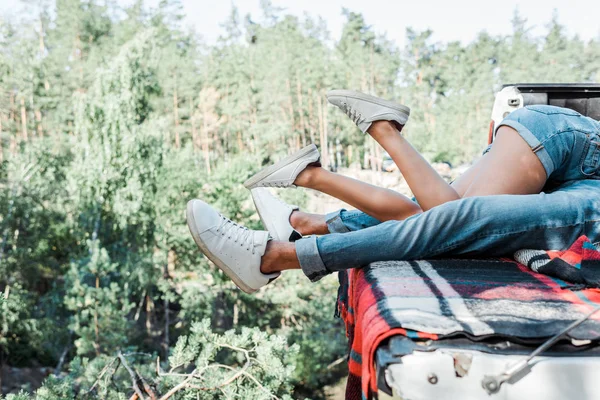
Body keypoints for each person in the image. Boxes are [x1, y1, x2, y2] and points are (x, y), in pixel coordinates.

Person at [186, 90, 600, 294]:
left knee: (439, 216)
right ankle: (383, 130)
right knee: (464, 223)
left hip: (553, 137)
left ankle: (304, 218)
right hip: (574, 143)